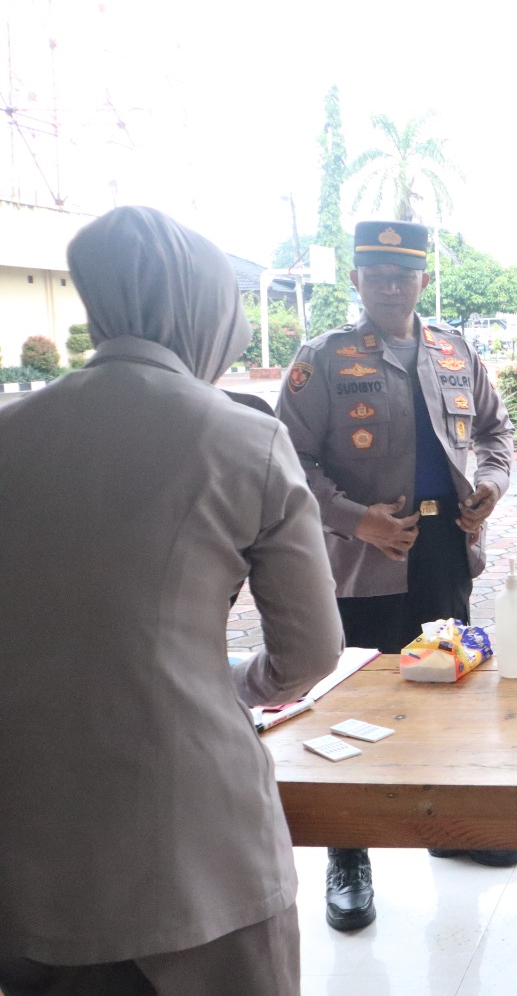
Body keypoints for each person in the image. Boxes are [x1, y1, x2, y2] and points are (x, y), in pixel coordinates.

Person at [0, 207, 343, 996]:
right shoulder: (244, 439)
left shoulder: (11, 430)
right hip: (193, 847)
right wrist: (237, 681)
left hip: (30, 840)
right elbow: (310, 653)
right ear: (206, 311)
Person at [276, 219, 517, 932]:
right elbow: (286, 457)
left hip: (445, 548)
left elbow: (497, 433)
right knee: (352, 702)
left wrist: (493, 484)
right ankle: (348, 854)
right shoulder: (324, 358)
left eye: (403, 274)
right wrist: (356, 520)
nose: (389, 285)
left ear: (423, 280)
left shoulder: (455, 350)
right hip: (363, 555)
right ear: (356, 279)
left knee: (448, 686)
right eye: (376, 273)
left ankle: (450, 826)